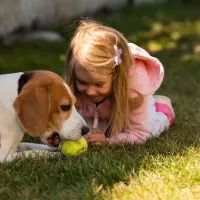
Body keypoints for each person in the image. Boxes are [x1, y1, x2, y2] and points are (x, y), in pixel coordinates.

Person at [65, 20, 175, 146]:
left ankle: (163, 110)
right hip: (99, 113)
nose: (90, 92)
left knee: (151, 131)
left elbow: (140, 133)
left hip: (132, 110)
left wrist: (108, 141)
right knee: (92, 133)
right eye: (82, 82)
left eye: (99, 84)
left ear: (116, 77)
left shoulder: (134, 92)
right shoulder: (76, 76)